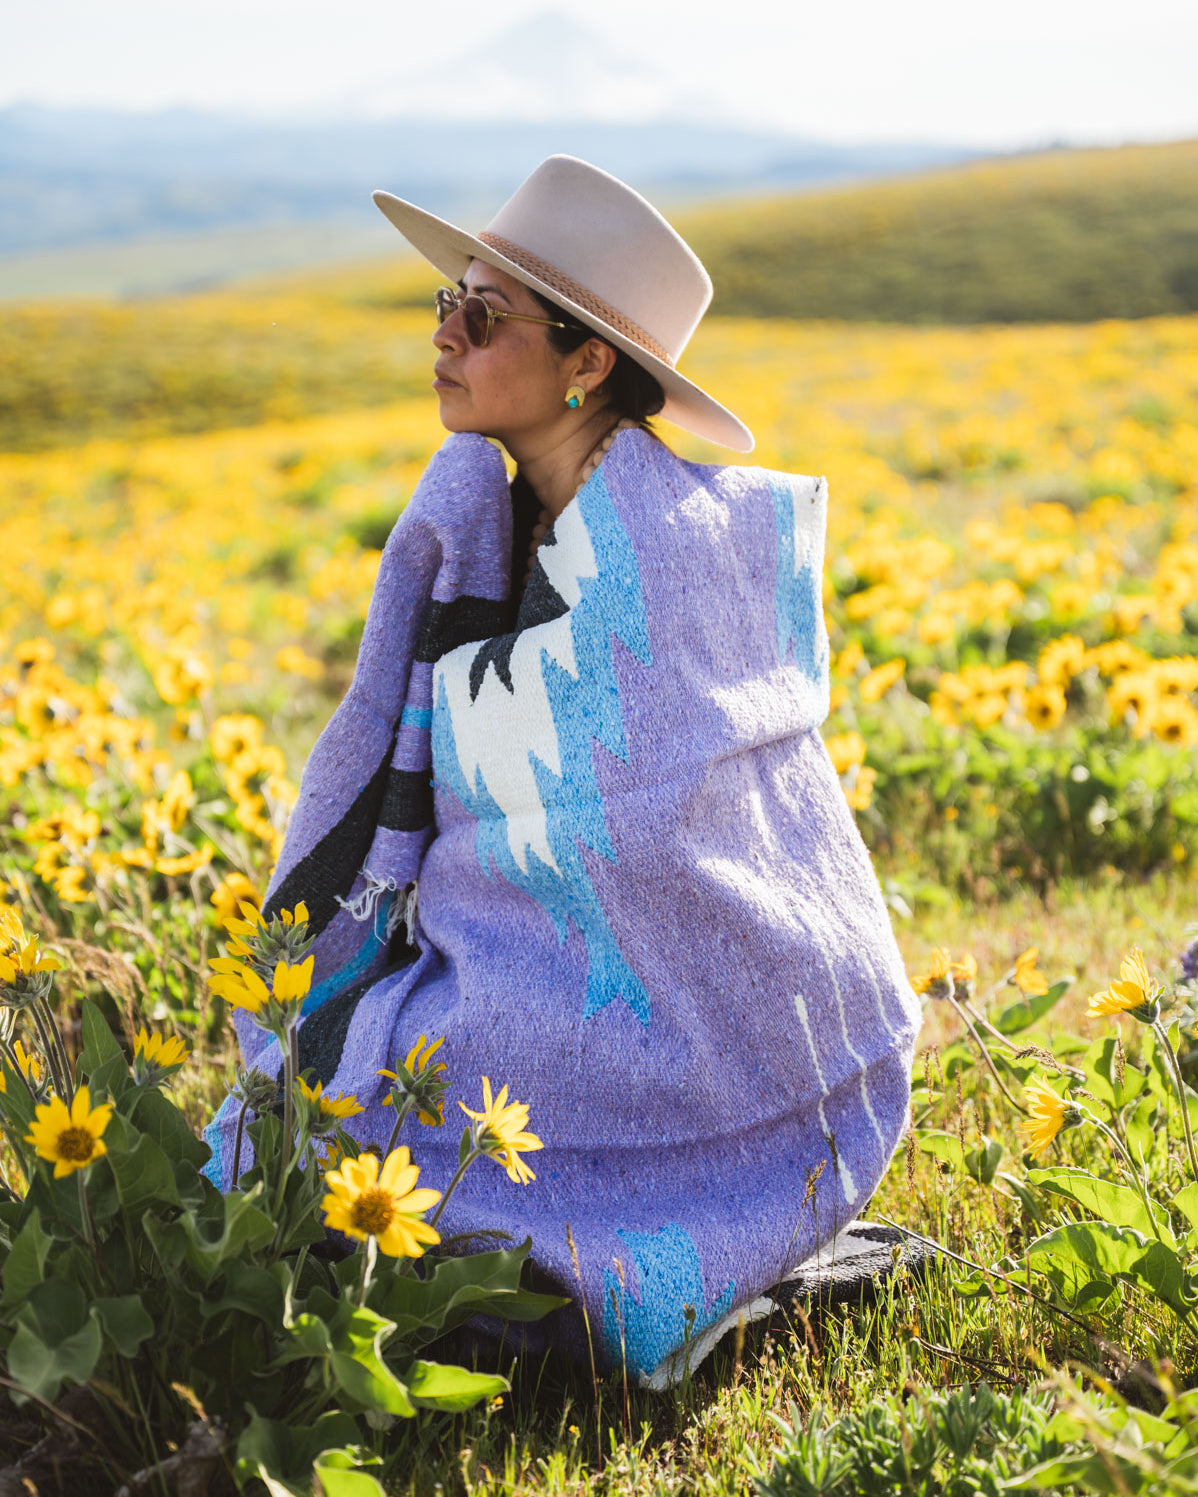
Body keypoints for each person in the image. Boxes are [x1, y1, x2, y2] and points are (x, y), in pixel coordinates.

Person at [205, 156, 921, 1387]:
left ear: (587, 364)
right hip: (518, 978)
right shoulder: (482, 526)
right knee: (300, 1153)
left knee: (370, 1167)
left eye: (481, 320)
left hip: (717, 1032)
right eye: (445, 306)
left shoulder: (668, 555)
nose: (444, 339)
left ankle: (658, 1245)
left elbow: (648, 862)